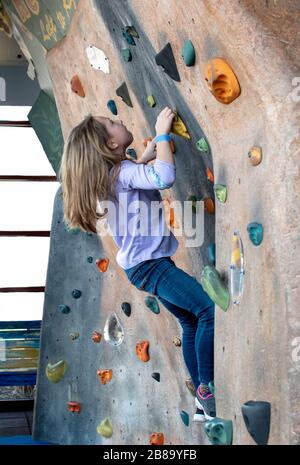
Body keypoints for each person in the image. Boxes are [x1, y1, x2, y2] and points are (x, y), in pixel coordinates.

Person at [59, 107, 216, 421]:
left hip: (141, 268)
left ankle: (201, 405)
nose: (118, 121)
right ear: (111, 145)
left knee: (190, 322)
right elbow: (164, 176)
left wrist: (144, 155)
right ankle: (209, 390)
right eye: (112, 124)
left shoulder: (112, 176)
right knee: (207, 311)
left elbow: (133, 175)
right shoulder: (123, 174)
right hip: (152, 266)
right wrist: (160, 133)